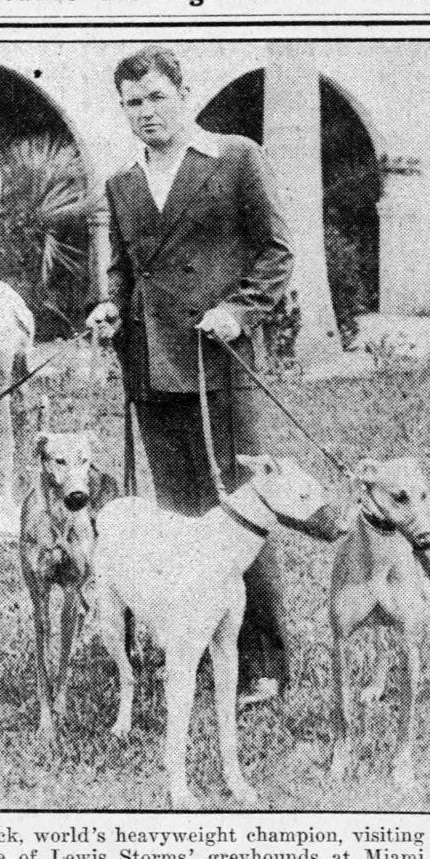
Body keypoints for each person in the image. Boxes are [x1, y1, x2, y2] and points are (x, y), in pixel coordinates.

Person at [87, 46, 295, 698]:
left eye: (156, 97)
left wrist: (239, 308)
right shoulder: (121, 182)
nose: (146, 112)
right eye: (132, 103)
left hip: (218, 363)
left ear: (183, 92)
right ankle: (199, 646)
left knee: (239, 513)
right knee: (179, 518)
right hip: (150, 370)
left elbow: (277, 252)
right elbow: (123, 268)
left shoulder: (235, 158)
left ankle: (262, 663)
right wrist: (107, 305)